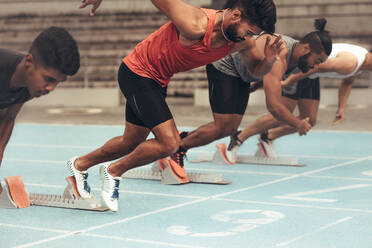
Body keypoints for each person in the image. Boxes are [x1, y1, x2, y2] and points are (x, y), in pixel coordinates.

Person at [68, 0, 281, 211]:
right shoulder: (194, 22)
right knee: (170, 143)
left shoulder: (241, 41)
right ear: (236, 15)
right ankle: (113, 171)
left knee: (130, 141)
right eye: (249, 31)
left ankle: (79, 166)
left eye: (253, 34)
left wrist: (269, 61)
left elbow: (255, 71)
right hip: (137, 73)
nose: (249, 37)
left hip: (158, 80)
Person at [169, 18, 332, 166]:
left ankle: (184, 138)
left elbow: (267, 70)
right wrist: (297, 124)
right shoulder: (281, 54)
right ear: (306, 49)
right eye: (317, 61)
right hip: (225, 65)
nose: (315, 67)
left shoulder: (297, 58)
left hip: (244, 75)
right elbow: (274, 107)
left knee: (230, 128)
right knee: (222, 126)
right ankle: (178, 148)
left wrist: (259, 82)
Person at [226, 43, 372, 160]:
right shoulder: (350, 62)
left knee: (309, 120)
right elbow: (315, 66)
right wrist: (290, 79)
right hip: (300, 70)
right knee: (281, 114)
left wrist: (341, 109)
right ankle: (238, 138)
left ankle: (268, 137)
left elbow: (347, 83)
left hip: (311, 76)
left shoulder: (360, 65)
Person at [0, 27, 80, 169]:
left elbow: (7, 119)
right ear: (29, 62)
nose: (51, 88)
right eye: (48, 79)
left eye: (57, 82)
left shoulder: (30, 86)